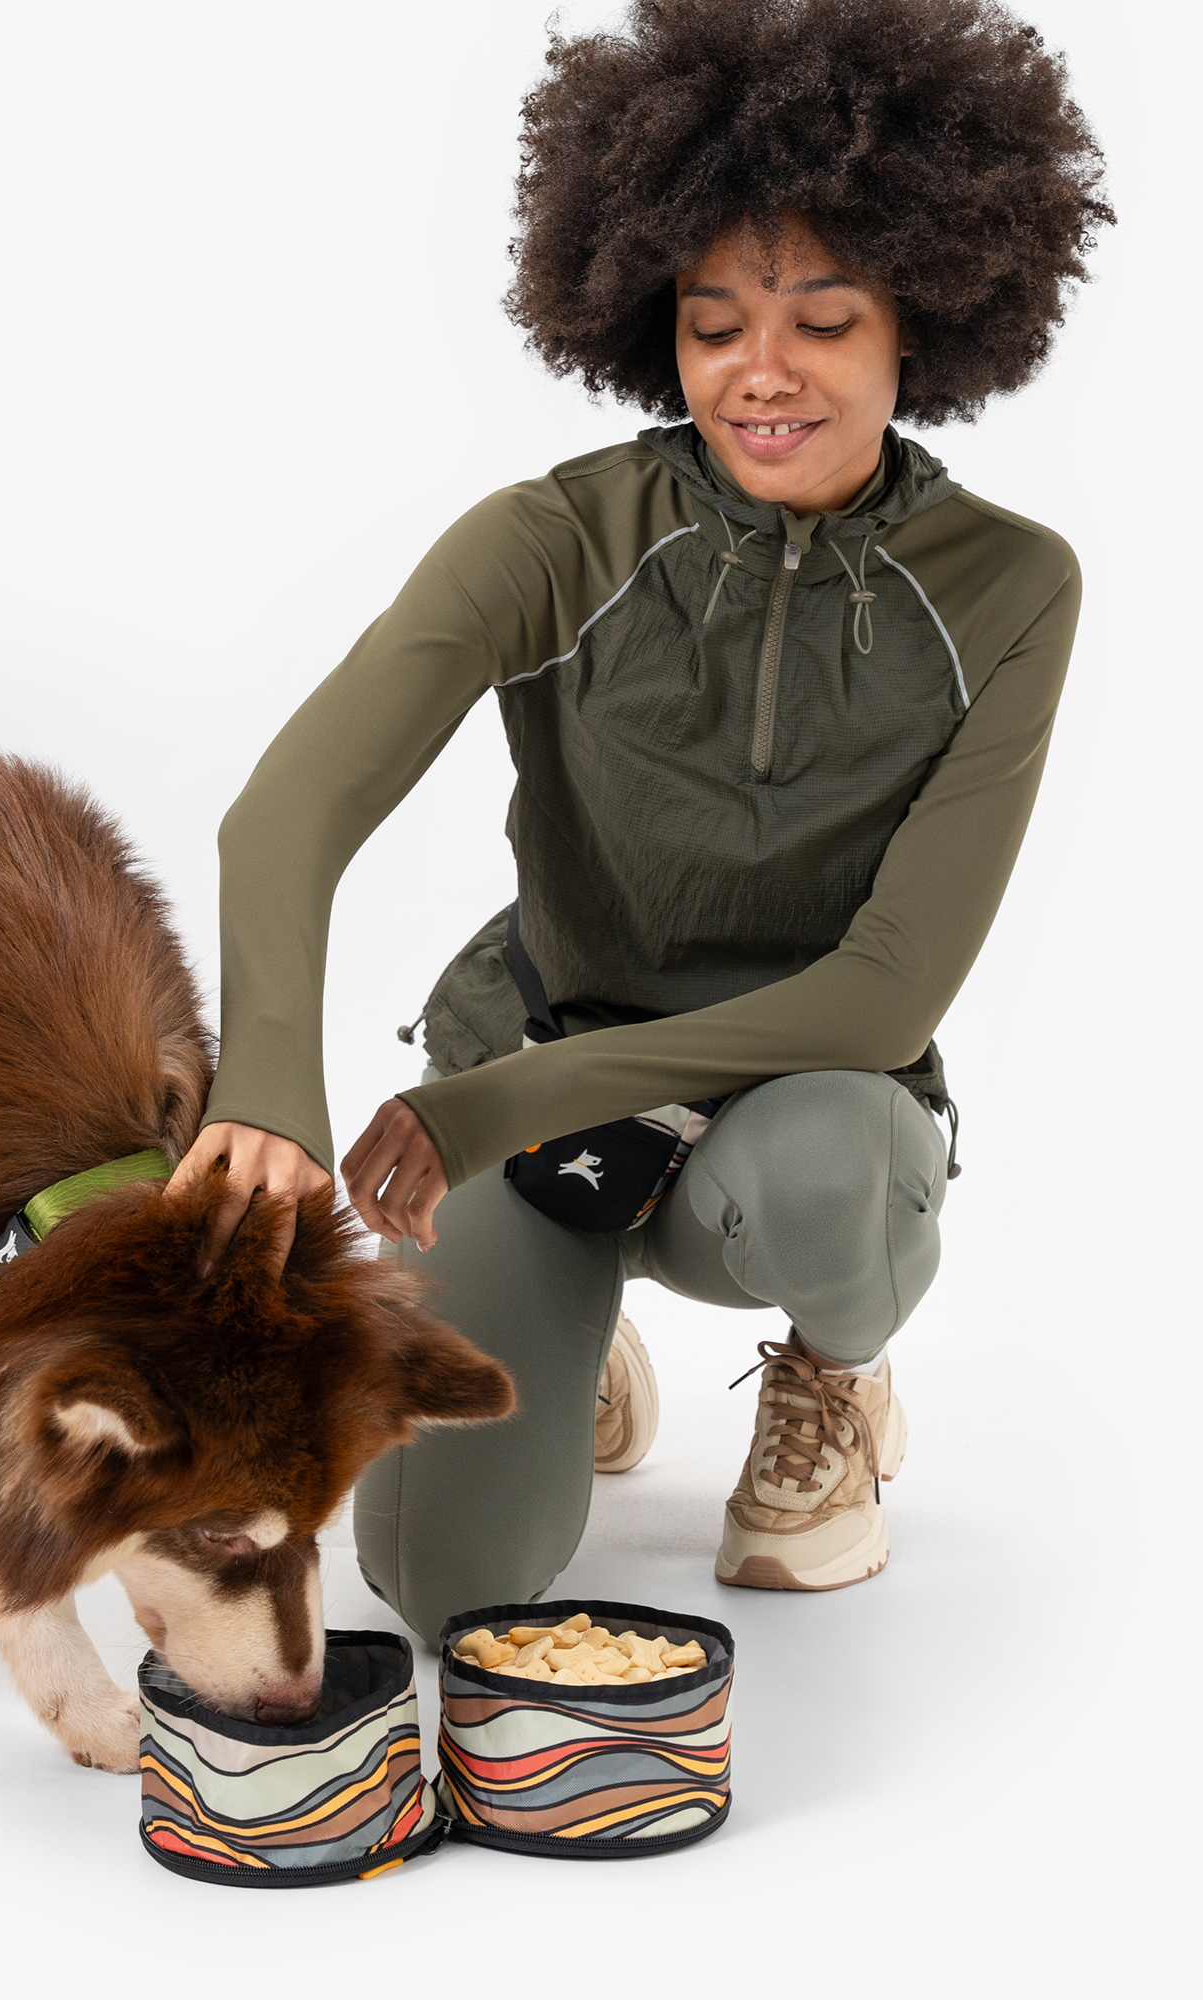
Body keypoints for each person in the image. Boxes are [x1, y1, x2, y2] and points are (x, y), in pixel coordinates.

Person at [165, 0, 1112, 1641]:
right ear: (648, 323)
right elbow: (291, 808)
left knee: (836, 1178)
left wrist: (483, 1106)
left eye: (824, 318)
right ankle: (572, 1309)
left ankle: (831, 1388)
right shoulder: (559, 537)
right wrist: (272, 1087)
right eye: (713, 320)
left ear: (922, 325)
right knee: (438, 1581)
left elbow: (888, 994)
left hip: (794, 1109)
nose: (763, 373)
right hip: (537, 1108)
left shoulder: (1011, 586)